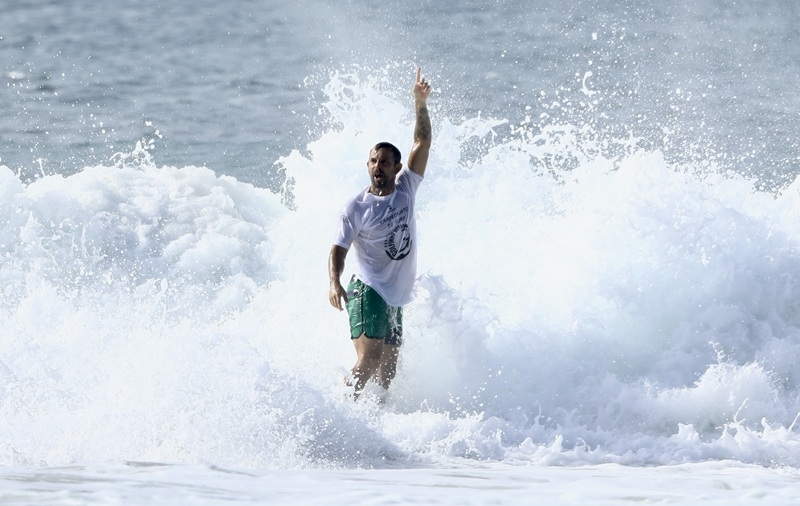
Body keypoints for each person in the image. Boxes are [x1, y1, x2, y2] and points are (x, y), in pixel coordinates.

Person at [328, 67, 432, 399]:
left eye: (385, 162)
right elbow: (338, 250)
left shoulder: (407, 188)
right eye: (373, 161)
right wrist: (334, 282)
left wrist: (419, 103)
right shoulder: (356, 207)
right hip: (368, 290)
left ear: (397, 168)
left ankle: (374, 437)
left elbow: (422, 140)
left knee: (387, 376)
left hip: (395, 298)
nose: (378, 166)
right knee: (368, 362)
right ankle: (338, 412)